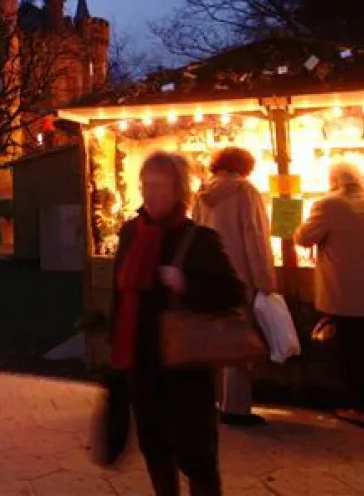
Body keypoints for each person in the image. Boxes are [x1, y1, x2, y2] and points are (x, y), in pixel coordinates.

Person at [110, 150, 245, 496]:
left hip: (185, 369)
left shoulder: (199, 239)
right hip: (141, 363)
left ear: (178, 190)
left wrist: (187, 285)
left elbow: (233, 293)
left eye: (159, 185)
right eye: (145, 185)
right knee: (154, 449)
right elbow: (119, 294)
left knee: (197, 455)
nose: (150, 193)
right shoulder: (130, 233)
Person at [294, 161, 364, 431]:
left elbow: (303, 238)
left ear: (333, 180)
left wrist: (292, 219)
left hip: (349, 293)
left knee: (354, 354)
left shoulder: (329, 204)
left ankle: (361, 409)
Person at [192, 146, 277, 427]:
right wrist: (265, 280)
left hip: (207, 277)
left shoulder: (202, 194)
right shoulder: (245, 192)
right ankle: (236, 408)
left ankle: (209, 402)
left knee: (212, 341)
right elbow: (255, 236)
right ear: (245, 166)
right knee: (239, 343)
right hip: (237, 275)